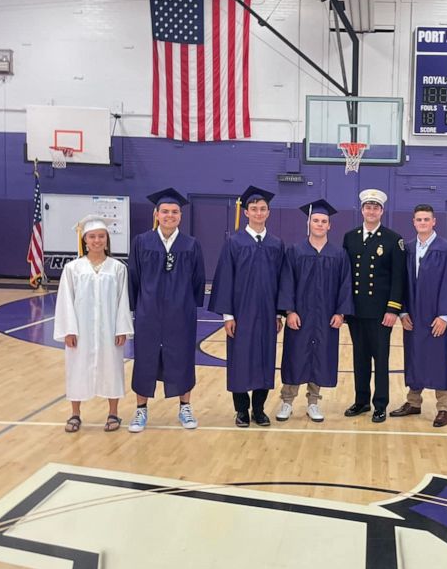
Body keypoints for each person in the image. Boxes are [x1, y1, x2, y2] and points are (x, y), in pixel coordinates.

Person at [127, 188, 206, 433]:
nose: (169, 216)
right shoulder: (142, 242)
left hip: (181, 314)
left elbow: (198, 281)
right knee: (145, 359)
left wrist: (185, 306)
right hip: (148, 313)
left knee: (182, 359)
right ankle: (141, 411)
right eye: (165, 211)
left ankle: (185, 407)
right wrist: (137, 308)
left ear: (180, 216)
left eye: (174, 212)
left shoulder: (191, 245)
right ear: (156, 214)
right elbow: (133, 278)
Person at [209, 185, 284, 427]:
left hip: (267, 313)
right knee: (239, 360)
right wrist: (228, 316)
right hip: (241, 313)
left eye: (263, 209)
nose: (259, 213)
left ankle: (259, 409)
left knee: (265, 358)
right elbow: (225, 279)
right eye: (254, 209)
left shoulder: (276, 244)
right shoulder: (234, 242)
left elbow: (283, 281)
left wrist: (279, 313)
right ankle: (241, 410)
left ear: (268, 212)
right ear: (247, 212)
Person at [54, 215, 134, 433]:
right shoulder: (73, 269)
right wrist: (68, 329)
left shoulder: (118, 268)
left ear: (107, 240)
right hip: (80, 330)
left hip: (109, 329)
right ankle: (75, 414)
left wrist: (121, 328)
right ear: (85, 240)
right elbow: (65, 301)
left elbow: (122, 300)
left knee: (112, 367)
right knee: (77, 368)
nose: (97, 241)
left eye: (101, 236)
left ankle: (113, 413)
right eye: (92, 237)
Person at [276, 199, 353, 422]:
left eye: (324, 221)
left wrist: (341, 313)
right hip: (300, 316)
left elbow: (345, 285)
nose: (319, 224)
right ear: (309, 223)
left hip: (327, 316)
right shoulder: (295, 251)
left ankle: (313, 403)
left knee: (320, 357)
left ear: (330, 226)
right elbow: (287, 282)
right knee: (294, 356)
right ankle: (287, 402)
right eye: (316, 221)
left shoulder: (338, 254)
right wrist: (289, 311)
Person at [389, 204, 447, 427]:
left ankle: (443, 407)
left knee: (438, 360)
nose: (422, 223)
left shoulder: (446, 248)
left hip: (435, 315)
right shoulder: (408, 248)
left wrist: (445, 315)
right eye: (418, 219)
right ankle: (413, 402)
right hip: (413, 314)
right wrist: (402, 311)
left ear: (434, 221)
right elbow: (400, 281)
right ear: (413, 222)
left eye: (426, 219)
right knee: (414, 356)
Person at [343, 188, 405, 424]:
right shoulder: (350, 237)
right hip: (357, 311)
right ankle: (361, 401)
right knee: (359, 358)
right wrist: (345, 307)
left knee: (380, 359)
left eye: (375, 207)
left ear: (382, 211)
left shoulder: (393, 239)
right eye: (367, 207)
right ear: (362, 210)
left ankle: (380, 404)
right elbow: (346, 276)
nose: (371, 211)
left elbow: (398, 278)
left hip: (381, 313)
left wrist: (393, 309)